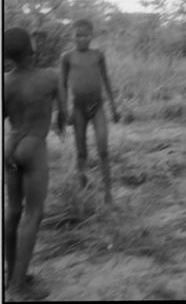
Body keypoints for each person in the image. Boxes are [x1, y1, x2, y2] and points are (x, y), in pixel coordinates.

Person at [4, 27, 67, 300]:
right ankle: (19, 287)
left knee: (13, 211)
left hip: (10, 148)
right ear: (32, 49)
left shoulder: (5, 82)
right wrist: (62, 125)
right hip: (33, 148)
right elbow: (63, 112)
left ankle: (10, 275)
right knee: (33, 215)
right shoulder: (50, 78)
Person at [61, 19, 119, 204]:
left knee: (103, 149)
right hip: (78, 107)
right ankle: (83, 190)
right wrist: (65, 110)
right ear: (72, 36)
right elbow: (62, 86)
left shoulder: (98, 55)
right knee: (81, 151)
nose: (81, 39)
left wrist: (113, 106)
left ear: (91, 36)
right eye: (78, 35)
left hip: (97, 105)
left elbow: (106, 79)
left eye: (85, 35)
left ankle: (108, 192)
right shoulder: (67, 57)